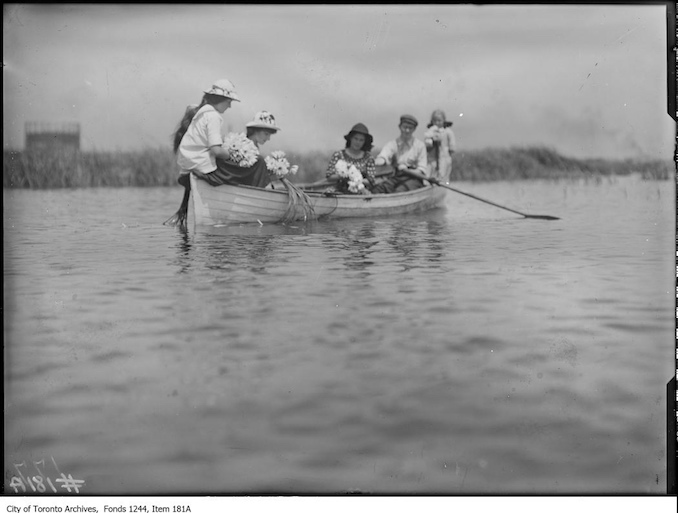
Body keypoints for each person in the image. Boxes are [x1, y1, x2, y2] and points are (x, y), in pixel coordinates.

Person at [164, 78, 241, 227]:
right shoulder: (213, 116)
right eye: (229, 101)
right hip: (201, 163)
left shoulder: (201, 113)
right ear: (221, 99)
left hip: (189, 161)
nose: (230, 106)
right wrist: (232, 155)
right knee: (238, 168)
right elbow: (216, 150)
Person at [196, 110, 280, 189]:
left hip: (242, 182)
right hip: (231, 178)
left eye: (269, 135)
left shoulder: (255, 147)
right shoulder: (240, 143)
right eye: (266, 134)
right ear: (255, 130)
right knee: (260, 161)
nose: (268, 138)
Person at [370, 114, 428, 194]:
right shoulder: (392, 144)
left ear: (414, 129)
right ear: (400, 127)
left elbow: (421, 170)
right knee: (378, 189)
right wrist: (379, 161)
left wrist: (406, 170)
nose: (407, 130)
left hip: (414, 178)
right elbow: (383, 156)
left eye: (410, 128)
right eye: (405, 127)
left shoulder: (420, 146)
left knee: (399, 191)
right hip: (396, 177)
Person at [325, 123, 376, 194]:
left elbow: (371, 181)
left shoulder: (368, 158)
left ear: (365, 142)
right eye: (356, 138)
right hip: (340, 191)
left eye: (361, 140)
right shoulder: (339, 155)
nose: (358, 142)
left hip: (361, 192)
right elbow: (329, 177)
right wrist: (344, 176)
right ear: (350, 138)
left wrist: (356, 179)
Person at [424, 109, 456, 183]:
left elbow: (452, 146)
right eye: (435, 121)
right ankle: (430, 185)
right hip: (432, 157)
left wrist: (449, 151)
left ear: (443, 120)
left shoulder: (448, 132)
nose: (437, 123)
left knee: (443, 171)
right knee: (431, 171)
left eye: (439, 120)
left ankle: (441, 183)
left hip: (444, 156)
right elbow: (427, 144)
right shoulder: (430, 131)